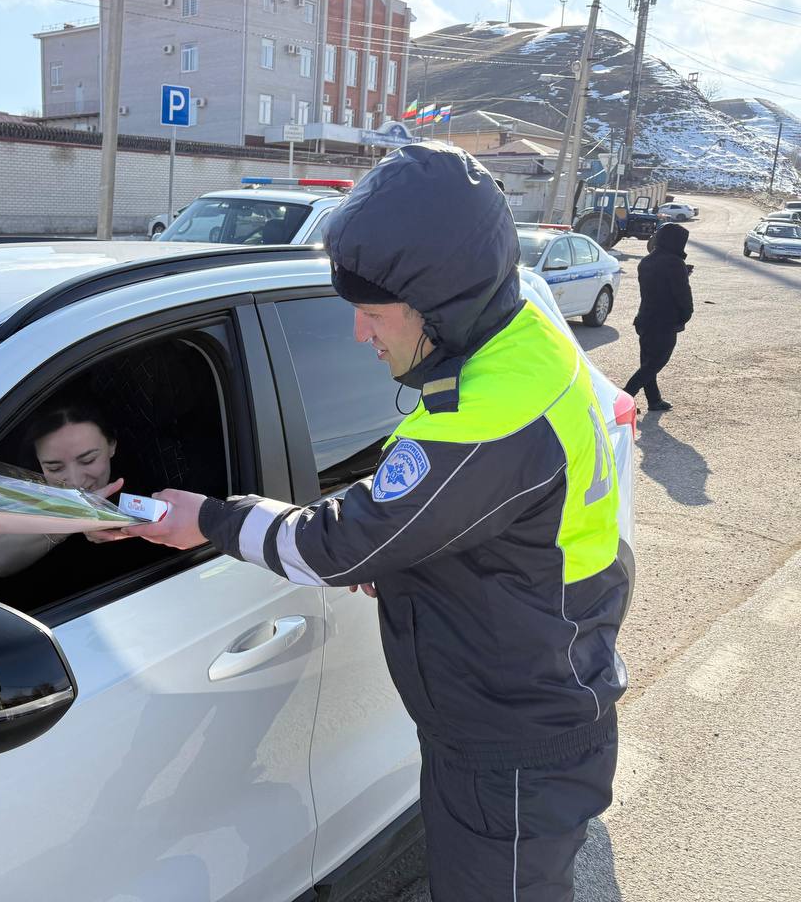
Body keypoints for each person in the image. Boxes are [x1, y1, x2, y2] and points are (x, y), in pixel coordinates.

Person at [119, 142, 629, 902]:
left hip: (512, 740)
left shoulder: (490, 416)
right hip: (525, 696)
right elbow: (465, 516)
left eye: (371, 313)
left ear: (442, 302)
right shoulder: (516, 339)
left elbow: (336, 545)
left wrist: (211, 519)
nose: (360, 335)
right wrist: (414, 558)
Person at [0, 398, 126, 579]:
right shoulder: (33, 486)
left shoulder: (145, 485)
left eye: (88, 460)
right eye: (54, 468)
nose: (75, 481)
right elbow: (0, 562)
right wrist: (73, 517)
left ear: (112, 445)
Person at [623, 222, 693, 412]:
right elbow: (682, 296)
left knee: (647, 363)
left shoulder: (647, 261)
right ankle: (623, 400)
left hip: (645, 318)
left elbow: (658, 284)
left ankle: (654, 400)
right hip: (664, 322)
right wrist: (685, 316)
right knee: (654, 363)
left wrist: (683, 272)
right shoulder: (674, 264)